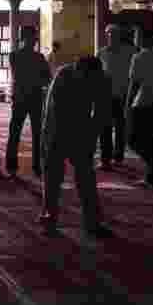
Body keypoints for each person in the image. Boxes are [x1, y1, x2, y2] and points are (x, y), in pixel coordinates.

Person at [39, 55, 115, 240]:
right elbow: (53, 112)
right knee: (53, 177)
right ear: (77, 70)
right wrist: (50, 142)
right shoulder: (63, 76)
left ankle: (92, 222)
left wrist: (90, 138)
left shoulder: (101, 79)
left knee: (86, 178)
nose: (89, 82)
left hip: (82, 128)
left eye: (92, 79)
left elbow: (102, 112)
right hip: (56, 129)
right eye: (85, 78)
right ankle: (49, 218)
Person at [126, 27, 153, 188]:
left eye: (136, 36)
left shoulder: (138, 57)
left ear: (143, 39)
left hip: (144, 103)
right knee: (151, 141)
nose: (135, 39)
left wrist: (128, 105)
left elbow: (134, 84)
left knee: (132, 140)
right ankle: (151, 177)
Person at [6, 25, 52, 178]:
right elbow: (45, 78)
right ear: (27, 38)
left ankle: (27, 166)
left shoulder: (16, 56)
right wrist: (37, 80)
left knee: (24, 133)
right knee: (23, 133)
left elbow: (45, 78)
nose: (34, 41)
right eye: (33, 37)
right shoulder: (34, 57)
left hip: (24, 97)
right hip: (29, 97)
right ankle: (30, 166)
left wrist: (34, 80)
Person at [96, 24, 138, 170]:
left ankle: (118, 157)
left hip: (123, 95)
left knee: (121, 128)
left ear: (119, 36)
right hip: (106, 96)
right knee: (105, 129)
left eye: (114, 34)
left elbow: (134, 74)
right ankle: (105, 159)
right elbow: (97, 75)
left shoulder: (130, 52)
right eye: (109, 34)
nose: (111, 37)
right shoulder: (101, 53)